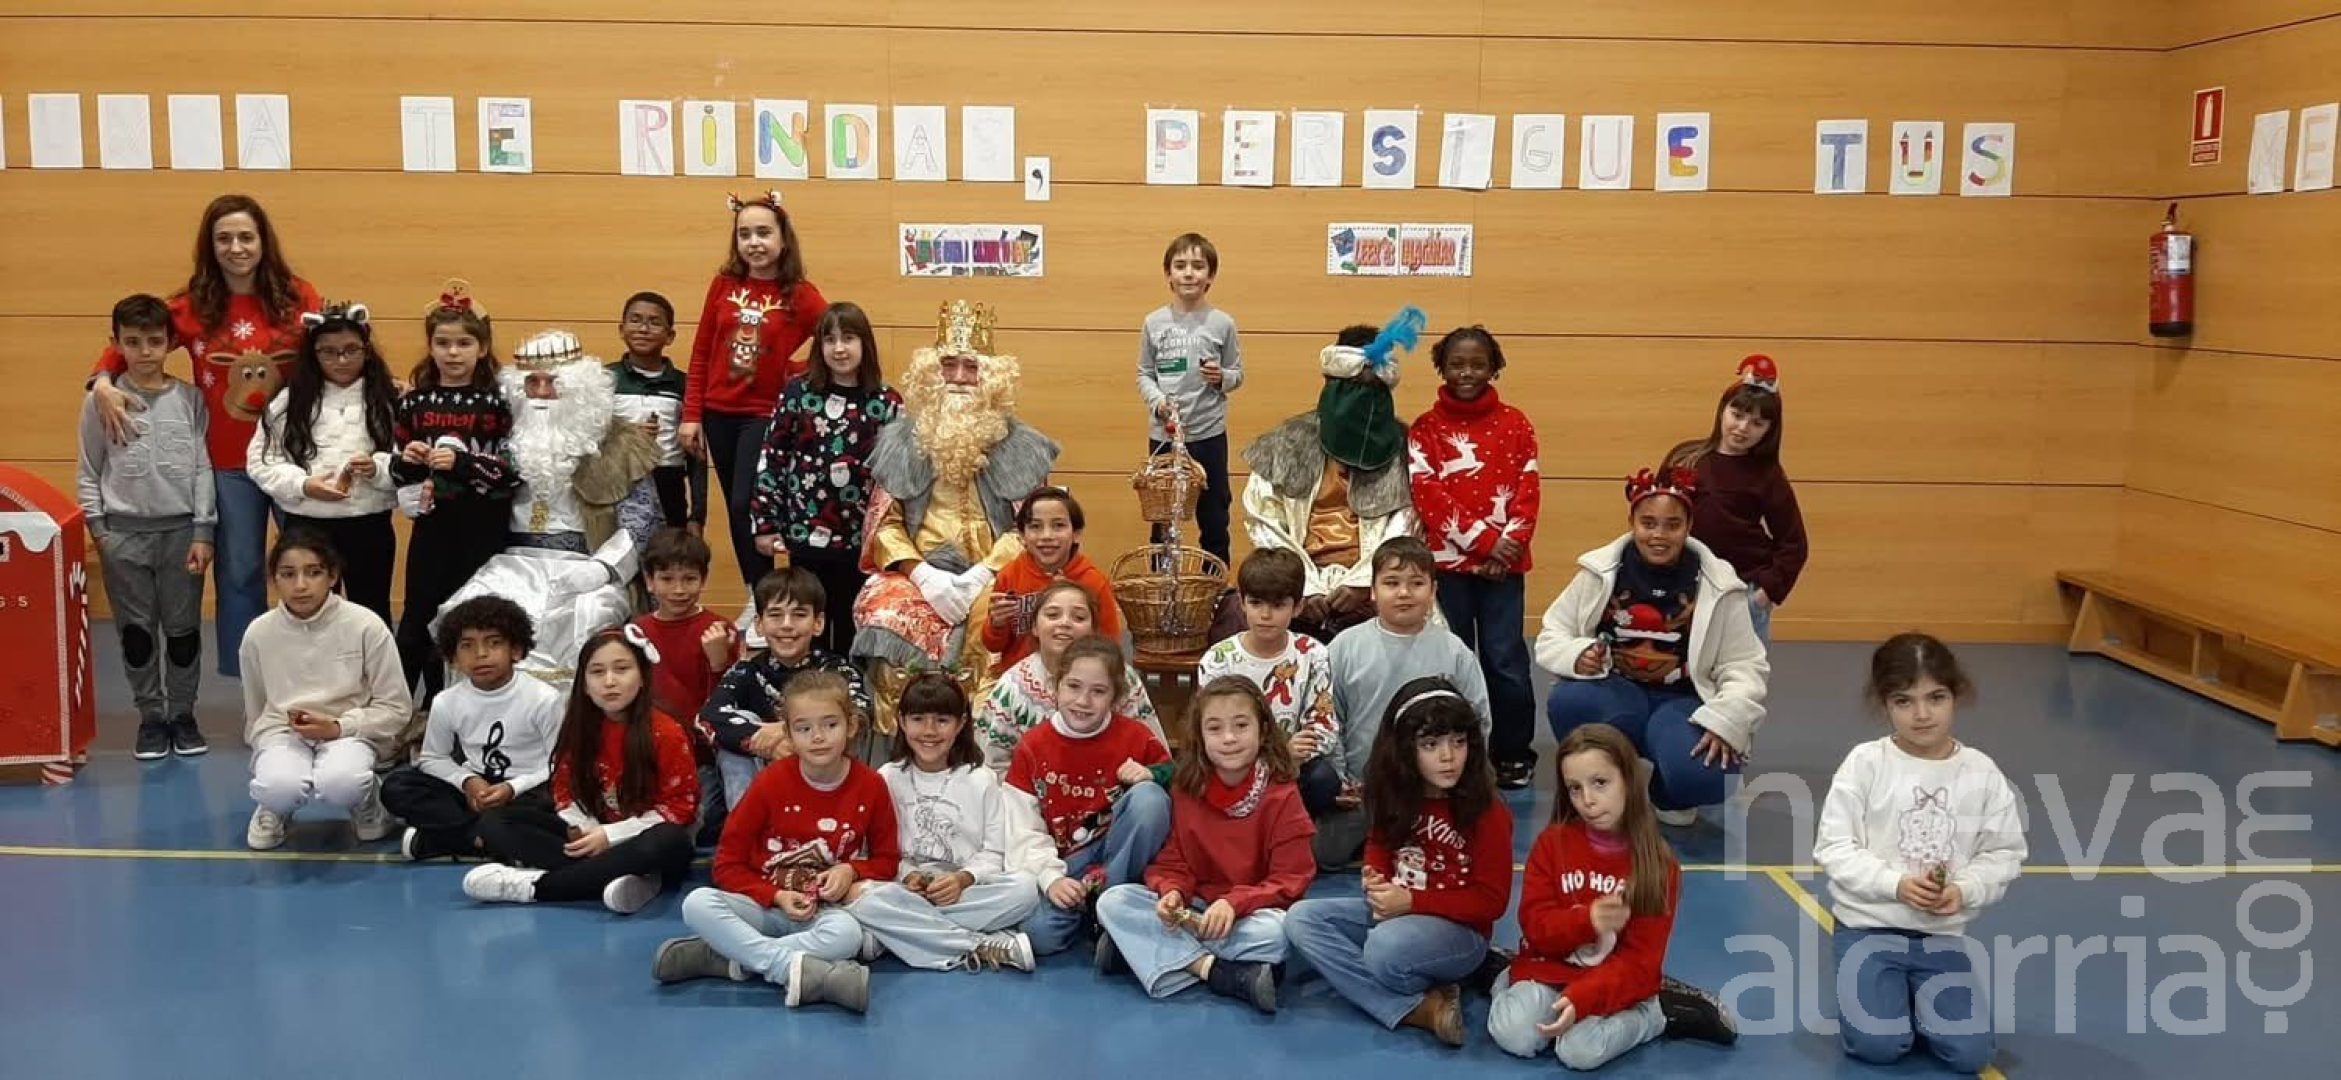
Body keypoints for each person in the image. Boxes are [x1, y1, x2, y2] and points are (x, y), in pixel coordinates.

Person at [85, 193, 322, 678]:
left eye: (246, 237)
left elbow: (338, 349)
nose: (236, 248)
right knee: (240, 571)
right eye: (224, 238)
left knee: (309, 567)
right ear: (210, 246)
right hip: (230, 463)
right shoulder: (191, 307)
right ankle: (250, 677)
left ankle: (316, 669)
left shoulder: (299, 297)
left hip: (295, 459)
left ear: (263, 241)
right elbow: (129, 343)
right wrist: (103, 384)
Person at [1816, 634, 2025, 1074]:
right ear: (1884, 704)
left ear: (1956, 695)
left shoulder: (1981, 772)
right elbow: (1834, 846)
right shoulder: (1866, 763)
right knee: (1879, 1046)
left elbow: (2004, 852)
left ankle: (1909, 994)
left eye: (1936, 697)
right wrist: (1894, 885)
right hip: (1867, 930)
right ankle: (1883, 993)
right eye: (1904, 701)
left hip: (1939, 936)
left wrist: (1965, 890)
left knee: (1971, 1054)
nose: (1922, 714)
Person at [852, 300, 1059, 728]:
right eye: (950, 366)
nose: (960, 378)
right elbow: (885, 525)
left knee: (1009, 617)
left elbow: (1032, 527)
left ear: (992, 378)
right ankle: (909, 739)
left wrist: (981, 574)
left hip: (998, 572)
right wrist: (924, 576)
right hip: (916, 573)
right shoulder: (900, 441)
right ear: (932, 373)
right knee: (885, 615)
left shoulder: (1022, 445)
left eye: (971, 367)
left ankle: (988, 737)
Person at [1535, 466, 1769, 827]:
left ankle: (1668, 791)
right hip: (1616, 691)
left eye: (1672, 525)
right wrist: (1578, 655)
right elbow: (1553, 632)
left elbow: (1745, 664)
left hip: (1684, 702)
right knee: (1570, 701)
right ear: (1632, 522)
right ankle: (1607, 781)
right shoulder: (1599, 572)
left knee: (1708, 775)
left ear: (1689, 526)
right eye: (1648, 523)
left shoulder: (1721, 585)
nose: (1659, 535)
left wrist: (1727, 718)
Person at [1284, 678, 1513, 1046]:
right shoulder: (1395, 793)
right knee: (1301, 919)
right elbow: (1380, 842)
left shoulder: (1487, 811)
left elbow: (1491, 902)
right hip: (1397, 916)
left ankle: (1462, 971)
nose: (1448, 757)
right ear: (1406, 749)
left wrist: (1411, 901)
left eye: (1458, 742)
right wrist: (1375, 875)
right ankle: (1417, 1008)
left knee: (1383, 950)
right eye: (1430, 744)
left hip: (1460, 932)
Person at [654, 671, 895, 1014]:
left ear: (851, 726)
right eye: (804, 728)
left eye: (830, 724)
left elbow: (887, 861)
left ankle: (730, 957)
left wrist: (850, 870)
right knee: (697, 903)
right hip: (765, 905)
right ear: (788, 733)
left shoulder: (871, 785)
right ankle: (789, 968)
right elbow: (726, 865)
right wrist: (776, 896)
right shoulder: (771, 782)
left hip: (822, 912)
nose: (818, 737)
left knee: (848, 936)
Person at [1094, 677, 1313, 1013]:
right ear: (1200, 736)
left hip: (1247, 913)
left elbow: (1291, 880)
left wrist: (1233, 904)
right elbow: (1173, 860)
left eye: (1241, 725)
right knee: (1113, 901)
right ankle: (1215, 972)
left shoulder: (1282, 794)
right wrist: (1172, 892)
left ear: (1263, 731)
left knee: (1281, 934)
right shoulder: (1187, 787)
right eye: (1214, 728)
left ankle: (1141, 950)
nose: (1229, 738)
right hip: (1194, 907)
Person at [459, 627, 700, 914]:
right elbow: (564, 791)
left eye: (622, 669)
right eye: (597, 672)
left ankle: (538, 887)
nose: (610, 681)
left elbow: (680, 808)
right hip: (592, 835)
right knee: (496, 821)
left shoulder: (666, 732)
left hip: (642, 837)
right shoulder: (579, 727)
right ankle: (626, 878)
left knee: (668, 842)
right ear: (584, 684)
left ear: (642, 678)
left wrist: (610, 835)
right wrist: (585, 829)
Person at [1487, 725, 1684, 1069]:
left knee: (1580, 1051)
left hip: (1609, 982)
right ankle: (1510, 981)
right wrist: (1587, 920)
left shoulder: (1657, 865)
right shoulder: (1552, 844)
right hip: (1550, 969)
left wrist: (1582, 999)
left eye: (1600, 783)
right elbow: (1535, 927)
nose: (1588, 800)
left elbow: (1639, 962)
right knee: (1514, 1034)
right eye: (1575, 788)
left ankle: (1651, 1016)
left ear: (1628, 780)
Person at [78, 293, 215, 760]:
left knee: (182, 632)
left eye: (155, 341)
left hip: (181, 535)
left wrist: (203, 530)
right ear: (115, 342)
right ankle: (151, 717)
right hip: (123, 536)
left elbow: (202, 468)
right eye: (133, 341)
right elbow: (89, 470)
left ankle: (183, 714)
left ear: (171, 343)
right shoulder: (100, 401)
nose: (144, 351)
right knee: (136, 634)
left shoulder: (190, 399)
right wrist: (101, 530)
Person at [1232, 309, 1423, 642]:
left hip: (1376, 584)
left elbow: (1405, 526)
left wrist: (1363, 582)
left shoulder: (1405, 450)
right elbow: (1264, 519)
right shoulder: (1287, 442)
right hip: (1296, 581)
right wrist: (1303, 584)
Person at [1407, 325, 1541, 789]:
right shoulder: (1425, 429)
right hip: (1449, 567)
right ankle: (1456, 752)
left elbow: (1528, 491)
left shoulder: (1517, 424)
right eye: (1457, 364)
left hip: (1505, 568)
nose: (1467, 372)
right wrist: (1485, 543)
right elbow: (1428, 495)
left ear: (1494, 368)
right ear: (1442, 368)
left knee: (1506, 661)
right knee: (1453, 659)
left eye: (1478, 364)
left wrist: (1506, 548)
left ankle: (1513, 753)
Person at [679, 190, 828, 593]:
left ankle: (768, 591)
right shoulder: (723, 285)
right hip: (717, 413)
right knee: (736, 508)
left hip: (763, 414)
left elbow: (833, 338)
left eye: (763, 233)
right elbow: (702, 350)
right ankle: (757, 594)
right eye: (744, 234)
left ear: (783, 238)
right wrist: (691, 414)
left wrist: (792, 372)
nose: (754, 243)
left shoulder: (800, 293)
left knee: (747, 502)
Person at [846, 672, 1042, 972]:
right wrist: (909, 876)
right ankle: (979, 944)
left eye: (942, 720)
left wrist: (962, 879)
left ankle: (896, 935)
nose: (929, 731)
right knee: (864, 897)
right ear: (901, 721)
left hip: (964, 890)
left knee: (1025, 889)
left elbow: (994, 853)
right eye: (918, 719)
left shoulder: (982, 779)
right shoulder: (887, 777)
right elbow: (879, 852)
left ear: (960, 724)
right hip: (905, 888)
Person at [1324, 537, 1491, 866]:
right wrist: (1341, 777)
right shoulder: (1343, 648)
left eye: (1416, 583)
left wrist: (1459, 776)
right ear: (1373, 591)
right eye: (1391, 583)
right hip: (1364, 787)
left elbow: (1478, 721)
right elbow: (1330, 718)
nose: (1404, 593)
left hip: (1434, 789)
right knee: (1326, 854)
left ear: (1433, 590)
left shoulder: (1454, 652)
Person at [390, 280, 518, 708]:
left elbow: (512, 472)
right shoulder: (414, 403)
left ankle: (456, 705)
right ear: (430, 347)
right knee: (418, 619)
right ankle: (399, 709)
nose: (453, 352)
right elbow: (397, 472)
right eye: (443, 343)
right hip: (433, 527)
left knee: (473, 616)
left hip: (484, 527)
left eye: (464, 343)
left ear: (483, 348)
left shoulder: (499, 403)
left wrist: (462, 464)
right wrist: (411, 461)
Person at [1003, 635, 1173, 955]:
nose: (1083, 701)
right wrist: (1051, 879)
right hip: (1068, 862)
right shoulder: (1033, 747)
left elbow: (1179, 779)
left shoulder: (1136, 736)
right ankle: (1099, 913)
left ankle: (1109, 901)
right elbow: (1022, 829)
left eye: (1098, 691)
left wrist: (1153, 774)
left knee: (1150, 799)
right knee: (1039, 935)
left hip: (1121, 854)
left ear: (1115, 697)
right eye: (1073, 686)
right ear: (1056, 686)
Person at [240, 530, 410, 851]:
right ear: (274, 580)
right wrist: (266, 742)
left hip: (348, 733)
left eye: (314, 572)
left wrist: (339, 727)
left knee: (342, 782)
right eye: (288, 574)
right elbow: (256, 707)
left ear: (332, 576)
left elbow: (396, 708)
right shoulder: (258, 633)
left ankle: (365, 797)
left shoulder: (366, 625)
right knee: (278, 786)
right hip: (284, 732)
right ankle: (274, 805)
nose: (301, 585)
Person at [749, 300, 901, 656]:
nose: (839, 348)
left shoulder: (886, 402)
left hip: (860, 542)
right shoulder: (798, 394)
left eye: (848, 338)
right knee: (809, 629)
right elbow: (772, 458)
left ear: (865, 343)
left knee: (852, 629)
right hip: (806, 535)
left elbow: (897, 476)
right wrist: (765, 523)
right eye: (829, 339)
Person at [245, 301, 399, 627]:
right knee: (308, 611)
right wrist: (303, 485)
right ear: (313, 354)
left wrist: (378, 469)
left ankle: (369, 664)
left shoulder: (387, 399)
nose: (341, 360)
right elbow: (261, 460)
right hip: (307, 524)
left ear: (366, 350)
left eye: (351, 350)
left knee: (371, 611)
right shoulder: (291, 400)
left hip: (368, 523)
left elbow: (405, 458)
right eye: (328, 352)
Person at [380, 595, 563, 862]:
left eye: (494, 643)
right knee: (398, 786)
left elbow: (559, 764)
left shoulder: (544, 699)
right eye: (467, 646)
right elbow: (433, 758)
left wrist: (512, 788)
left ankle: (449, 840)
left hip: (529, 788)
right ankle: (481, 837)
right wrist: (467, 782)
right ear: (453, 658)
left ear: (516, 650)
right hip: (478, 786)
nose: (481, 654)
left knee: (553, 805)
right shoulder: (446, 701)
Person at [697, 568, 871, 807]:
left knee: (841, 722)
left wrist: (786, 731)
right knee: (734, 741)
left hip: (826, 777)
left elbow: (861, 712)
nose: (787, 625)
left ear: (818, 623)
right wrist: (760, 739)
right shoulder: (747, 671)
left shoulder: (836, 669)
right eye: (775, 615)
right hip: (765, 783)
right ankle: (748, 822)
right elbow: (707, 717)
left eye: (799, 615)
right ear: (758, 624)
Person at [1664, 354, 1807, 643]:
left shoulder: (1767, 476)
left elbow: (1794, 543)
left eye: (1757, 423)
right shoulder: (1685, 458)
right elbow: (1656, 517)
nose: (1742, 427)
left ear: (1769, 430)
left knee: (1740, 670)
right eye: (1737, 415)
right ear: (1722, 410)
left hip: (1742, 592)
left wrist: (1764, 594)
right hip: (1682, 587)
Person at [1196, 548, 1340, 815]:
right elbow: (1209, 728)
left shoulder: (1314, 654)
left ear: (1298, 607)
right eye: (1256, 603)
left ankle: (1297, 830)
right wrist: (1276, 755)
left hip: (1296, 763)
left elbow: (1324, 725)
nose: (1265, 615)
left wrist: (1291, 756)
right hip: (1235, 759)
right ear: (1241, 603)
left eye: (1277, 605)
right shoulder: (1217, 660)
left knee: (1323, 779)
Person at [501, 328, 665, 553]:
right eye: (532, 382)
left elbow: (640, 522)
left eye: (554, 382)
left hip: (588, 560)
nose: (542, 392)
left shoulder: (623, 442)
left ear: (580, 390)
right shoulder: (503, 436)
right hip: (510, 560)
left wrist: (605, 566)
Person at [976, 580, 1163, 774]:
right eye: (1053, 615)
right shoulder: (1014, 687)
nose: (1064, 623)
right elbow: (989, 765)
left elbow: (1154, 756)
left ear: (1093, 630)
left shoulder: (1121, 676)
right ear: (1034, 627)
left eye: (1079, 617)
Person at [1137, 231, 1243, 565]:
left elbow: (1237, 373)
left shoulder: (1223, 323)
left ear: (1210, 276)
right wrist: (1158, 402)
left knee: (1214, 517)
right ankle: (1161, 585)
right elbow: (1144, 373)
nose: (1188, 273)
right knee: (1163, 518)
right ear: (1168, 274)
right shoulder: (1154, 322)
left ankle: (1215, 586)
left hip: (1208, 435)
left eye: (1198, 266)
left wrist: (1221, 377)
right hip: (1164, 437)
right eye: (1180, 265)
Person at [980, 485, 1123, 676]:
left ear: (1076, 534)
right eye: (1035, 526)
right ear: (1022, 536)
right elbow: (993, 645)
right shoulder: (1009, 576)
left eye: (1058, 525)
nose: (1046, 536)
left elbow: (1109, 645)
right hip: (1019, 677)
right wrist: (997, 624)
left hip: (1077, 678)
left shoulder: (1093, 581)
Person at [609, 290, 709, 535]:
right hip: (614, 486)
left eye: (654, 322)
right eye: (635, 320)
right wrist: (625, 434)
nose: (643, 329)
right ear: (621, 329)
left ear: (670, 335)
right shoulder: (603, 380)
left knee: (667, 556)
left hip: (669, 486)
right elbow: (587, 441)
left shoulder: (686, 385)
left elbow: (697, 457)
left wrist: (697, 516)